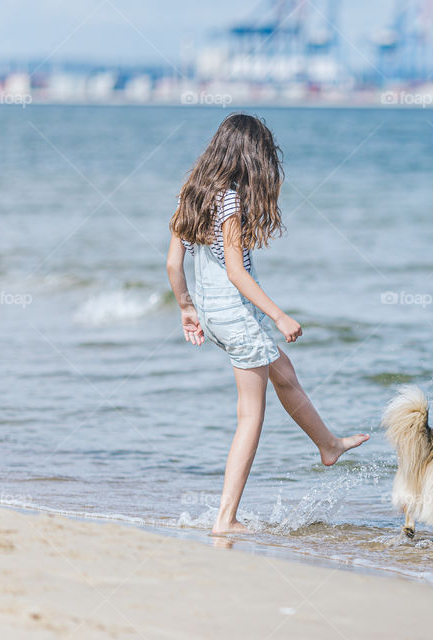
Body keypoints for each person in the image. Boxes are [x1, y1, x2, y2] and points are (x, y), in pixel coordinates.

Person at [166, 114, 369, 535]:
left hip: (215, 314)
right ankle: (226, 518)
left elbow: (173, 263)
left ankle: (327, 445)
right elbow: (238, 273)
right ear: (248, 159)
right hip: (239, 316)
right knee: (250, 417)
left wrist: (186, 308)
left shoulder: (191, 194)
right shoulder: (229, 201)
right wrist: (280, 315)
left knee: (285, 375)